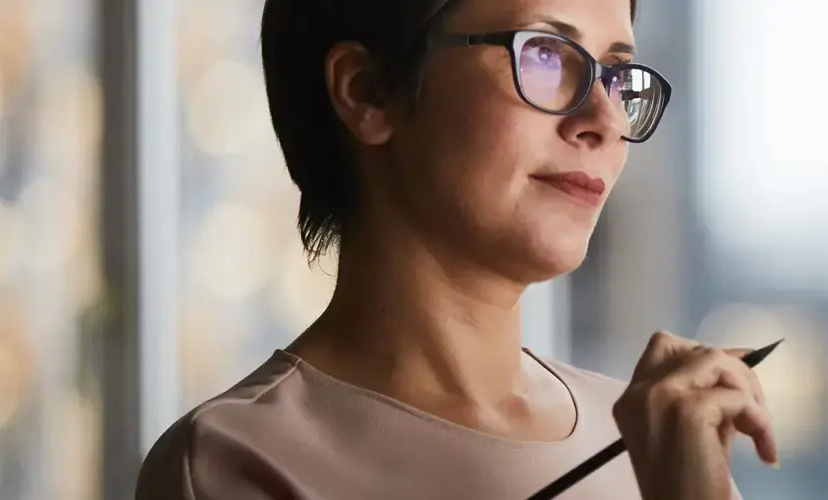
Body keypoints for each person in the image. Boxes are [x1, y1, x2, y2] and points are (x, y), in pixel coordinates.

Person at [135, 0, 776, 498]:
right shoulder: (236, 463)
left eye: (618, 76)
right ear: (367, 92)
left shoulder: (653, 433)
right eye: (548, 56)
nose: (606, 120)